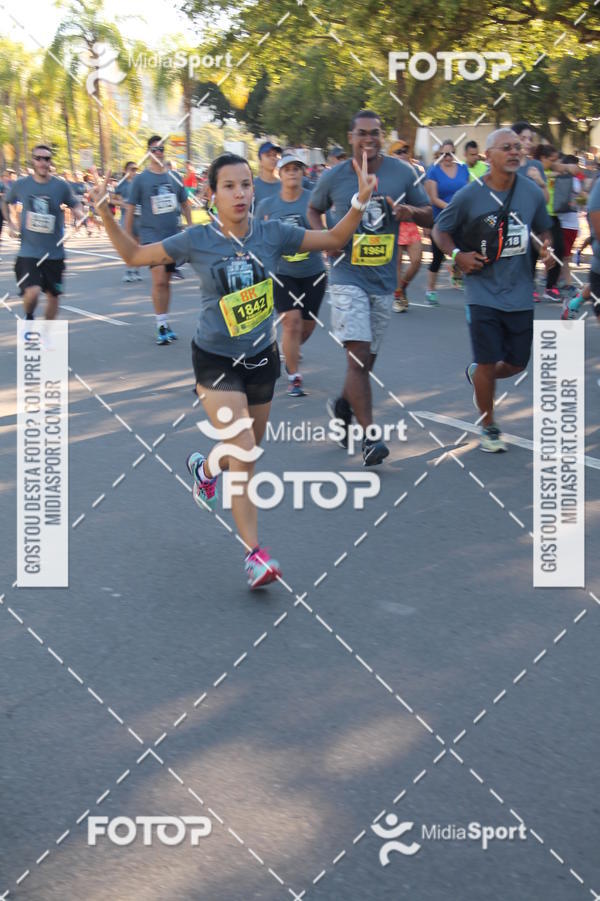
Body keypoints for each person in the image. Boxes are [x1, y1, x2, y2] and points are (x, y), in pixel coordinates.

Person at [89, 150, 378, 587]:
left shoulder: (272, 233)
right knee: (243, 447)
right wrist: (103, 213)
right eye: (229, 186)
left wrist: (358, 203)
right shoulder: (196, 240)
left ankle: (205, 471)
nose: (240, 192)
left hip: (262, 356)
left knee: (245, 446)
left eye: (245, 184)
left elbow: (334, 239)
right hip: (215, 358)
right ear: (212, 194)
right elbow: (134, 255)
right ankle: (254, 555)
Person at [308, 109, 432, 463]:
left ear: (381, 136)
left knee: (365, 362)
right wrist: (324, 240)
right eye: (362, 132)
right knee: (358, 355)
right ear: (350, 137)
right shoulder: (334, 177)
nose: (369, 139)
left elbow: (429, 213)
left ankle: (343, 406)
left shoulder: (402, 172)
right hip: (347, 276)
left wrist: (408, 212)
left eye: (375, 133)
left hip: (382, 280)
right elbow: (313, 209)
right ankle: (369, 438)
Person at [433, 128, 555, 452]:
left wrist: (546, 246)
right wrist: (457, 255)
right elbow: (439, 229)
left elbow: (544, 227)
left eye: (518, 147)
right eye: (506, 148)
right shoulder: (469, 195)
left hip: (520, 291)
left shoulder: (530, 192)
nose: (515, 152)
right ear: (488, 157)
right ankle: (488, 425)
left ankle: (478, 376)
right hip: (481, 291)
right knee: (487, 361)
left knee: (516, 364)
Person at [256, 152, 327, 396]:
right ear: (280, 173)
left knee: (304, 329)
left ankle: (289, 350)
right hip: (282, 273)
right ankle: (294, 375)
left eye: (297, 168)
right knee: (291, 321)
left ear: (303, 172)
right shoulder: (267, 205)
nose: (292, 172)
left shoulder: (313, 200)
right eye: (287, 169)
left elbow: (323, 231)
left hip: (313, 273)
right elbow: (257, 236)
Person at [2, 144, 84, 319]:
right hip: (28, 252)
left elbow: (75, 203)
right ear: (33, 161)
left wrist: (80, 214)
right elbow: (5, 201)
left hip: (54, 253)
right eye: (38, 158)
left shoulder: (60, 186)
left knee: (54, 299)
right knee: (32, 292)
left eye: (46, 159)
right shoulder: (21, 184)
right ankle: (29, 316)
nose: (42, 162)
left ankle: (46, 334)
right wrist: (10, 223)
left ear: (50, 162)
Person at [127, 135, 192, 344]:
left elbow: (185, 203)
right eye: (154, 149)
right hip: (150, 237)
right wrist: (128, 238)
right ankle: (160, 325)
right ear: (147, 153)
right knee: (159, 279)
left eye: (161, 149)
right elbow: (129, 209)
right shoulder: (140, 179)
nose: (158, 152)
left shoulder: (173, 177)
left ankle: (165, 321)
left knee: (167, 282)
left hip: (172, 236)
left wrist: (190, 227)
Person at [425, 140, 469, 301]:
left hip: (462, 219)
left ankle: (472, 291)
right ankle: (430, 290)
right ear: (440, 154)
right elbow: (434, 198)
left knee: (465, 250)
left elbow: (469, 191)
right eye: (444, 154)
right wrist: (452, 208)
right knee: (437, 257)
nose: (447, 157)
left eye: (450, 154)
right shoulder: (434, 171)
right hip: (442, 218)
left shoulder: (463, 168)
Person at [388, 141, 422, 312]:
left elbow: (421, 200)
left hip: (409, 222)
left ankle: (401, 288)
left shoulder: (413, 172)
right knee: (397, 263)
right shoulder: (385, 174)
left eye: (405, 151)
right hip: (392, 223)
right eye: (399, 151)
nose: (403, 154)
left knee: (417, 260)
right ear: (391, 155)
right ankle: (398, 297)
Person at [114, 161, 141, 282]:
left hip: (139, 216)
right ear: (125, 170)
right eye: (131, 169)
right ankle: (128, 270)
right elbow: (114, 200)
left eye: (135, 169)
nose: (134, 172)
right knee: (128, 244)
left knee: (137, 244)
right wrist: (124, 204)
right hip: (126, 216)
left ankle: (136, 270)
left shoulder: (140, 183)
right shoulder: (122, 184)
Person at [253, 141, 282, 205]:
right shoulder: (252, 186)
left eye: (275, 155)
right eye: (268, 155)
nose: (272, 158)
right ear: (260, 160)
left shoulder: (284, 185)